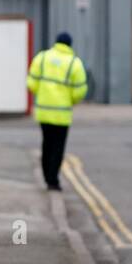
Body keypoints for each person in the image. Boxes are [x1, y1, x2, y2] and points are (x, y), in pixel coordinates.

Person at [27, 32, 88, 191]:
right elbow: (80, 90)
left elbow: (31, 83)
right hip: (62, 114)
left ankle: (46, 176)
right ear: (69, 45)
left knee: (46, 144)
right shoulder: (74, 63)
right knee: (58, 147)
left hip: (43, 111)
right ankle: (53, 179)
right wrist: (71, 100)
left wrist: (42, 94)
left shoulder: (42, 58)